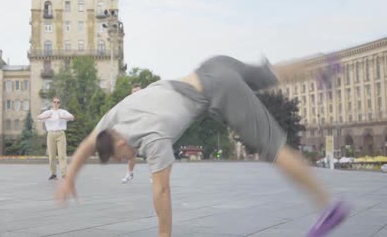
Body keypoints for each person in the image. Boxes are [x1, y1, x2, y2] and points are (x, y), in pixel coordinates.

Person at [55, 55, 350, 237]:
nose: (127, 157)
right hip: (212, 65)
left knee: (271, 145)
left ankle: (328, 207)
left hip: (218, 89)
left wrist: (163, 234)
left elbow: (161, 191)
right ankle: (323, 66)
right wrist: (70, 177)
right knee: (268, 73)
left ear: (119, 141)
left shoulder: (151, 138)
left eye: (122, 155)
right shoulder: (112, 119)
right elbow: (85, 145)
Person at [37, 97, 75, 180]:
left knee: (62, 155)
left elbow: (72, 117)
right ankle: (53, 174)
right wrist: (46, 117)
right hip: (51, 134)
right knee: (51, 155)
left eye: (58, 102)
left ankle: (64, 174)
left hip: (60, 134)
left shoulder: (62, 112)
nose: (56, 103)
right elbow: (38, 117)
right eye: (54, 102)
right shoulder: (48, 112)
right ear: (52, 103)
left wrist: (63, 117)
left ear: (60, 103)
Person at [121, 83, 142, 183]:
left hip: (146, 128)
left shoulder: (147, 100)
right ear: (131, 92)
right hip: (133, 130)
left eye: (138, 91)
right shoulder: (127, 101)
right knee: (132, 154)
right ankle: (130, 173)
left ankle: (153, 175)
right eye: (134, 91)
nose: (136, 93)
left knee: (151, 152)